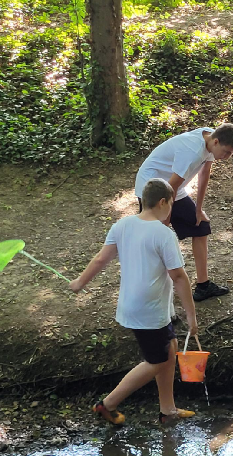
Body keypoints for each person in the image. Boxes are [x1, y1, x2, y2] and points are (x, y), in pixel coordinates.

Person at [70, 178, 199, 425]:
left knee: (169, 351)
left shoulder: (123, 225)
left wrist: (80, 282)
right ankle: (107, 404)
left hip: (137, 306)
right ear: (163, 202)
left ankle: (167, 409)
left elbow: (100, 259)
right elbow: (179, 276)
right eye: (172, 203)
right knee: (156, 361)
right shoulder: (164, 233)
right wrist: (192, 316)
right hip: (149, 311)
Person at [134, 123, 233, 301]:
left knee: (201, 226)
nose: (228, 157)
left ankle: (203, 286)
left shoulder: (209, 139)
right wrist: (165, 221)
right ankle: (149, 292)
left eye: (231, 154)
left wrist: (199, 209)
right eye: (227, 152)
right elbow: (171, 187)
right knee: (156, 239)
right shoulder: (192, 151)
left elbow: (204, 173)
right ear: (216, 142)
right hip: (152, 186)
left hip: (172, 186)